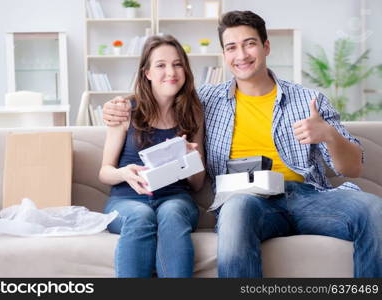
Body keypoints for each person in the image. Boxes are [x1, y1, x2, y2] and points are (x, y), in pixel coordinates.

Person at [102, 11, 382, 277]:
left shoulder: (309, 101)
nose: (241, 55)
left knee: (374, 209)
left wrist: (329, 135)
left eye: (249, 44)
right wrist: (115, 107)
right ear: (224, 55)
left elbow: (353, 167)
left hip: (306, 196)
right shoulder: (205, 101)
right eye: (231, 47)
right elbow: (163, 92)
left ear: (266, 47)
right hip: (246, 200)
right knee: (236, 210)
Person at [98, 34, 205, 278]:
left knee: (172, 212)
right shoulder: (125, 110)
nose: (171, 71)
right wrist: (125, 172)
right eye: (161, 65)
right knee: (141, 216)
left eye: (178, 64)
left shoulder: (193, 114)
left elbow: (198, 184)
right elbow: (104, 171)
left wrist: (188, 160)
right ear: (146, 72)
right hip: (127, 201)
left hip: (175, 199)